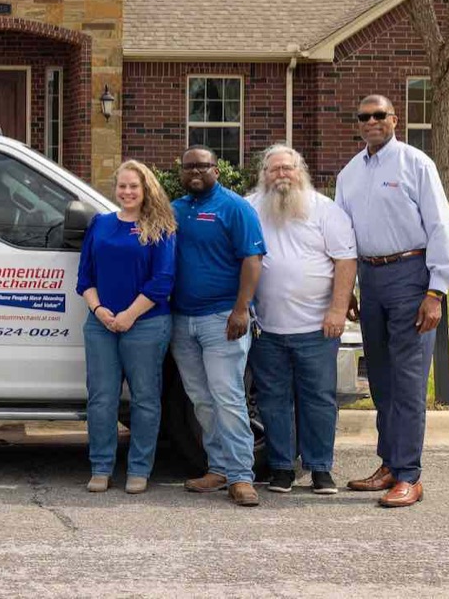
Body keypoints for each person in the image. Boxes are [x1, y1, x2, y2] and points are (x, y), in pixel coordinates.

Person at [335, 94, 449, 508]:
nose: (371, 121)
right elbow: (342, 235)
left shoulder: (416, 164)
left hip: (410, 275)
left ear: (394, 119)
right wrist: (346, 286)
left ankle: (409, 475)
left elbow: (440, 226)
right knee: (382, 380)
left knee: (407, 381)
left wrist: (436, 291)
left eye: (379, 115)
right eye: (364, 116)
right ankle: (388, 464)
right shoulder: (349, 173)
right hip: (370, 278)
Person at [246, 144, 357, 496]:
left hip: (317, 327)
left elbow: (345, 260)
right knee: (273, 400)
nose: (281, 174)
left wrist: (338, 310)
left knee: (318, 399)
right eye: (274, 169)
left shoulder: (325, 210)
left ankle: (320, 468)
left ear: (300, 171)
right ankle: (281, 469)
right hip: (265, 327)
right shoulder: (250, 208)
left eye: (287, 168)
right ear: (264, 174)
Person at [170, 145, 266, 507]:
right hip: (182, 319)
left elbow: (253, 260)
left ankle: (242, 476)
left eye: (203, 166)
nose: (195, 171)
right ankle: (219, 467)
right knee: (201, 400)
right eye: (189, 166)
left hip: (222, 318)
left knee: (228, 398)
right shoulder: (176, 210)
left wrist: (242, 309)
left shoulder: (235, 207)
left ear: (217, 171)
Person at [77, 160, 177, 496]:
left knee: (145, 399)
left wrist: (129, 315)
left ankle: (139, 469)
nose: (127, 192)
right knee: (101, 400)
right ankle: (101, 467)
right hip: (100, 323)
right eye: (122, 186)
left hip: (146, 323)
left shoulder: (160, 226)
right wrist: (100, 310)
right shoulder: (100, 224)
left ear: (146, 188)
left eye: (134, 186)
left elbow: (162, 281)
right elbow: (84, 277)